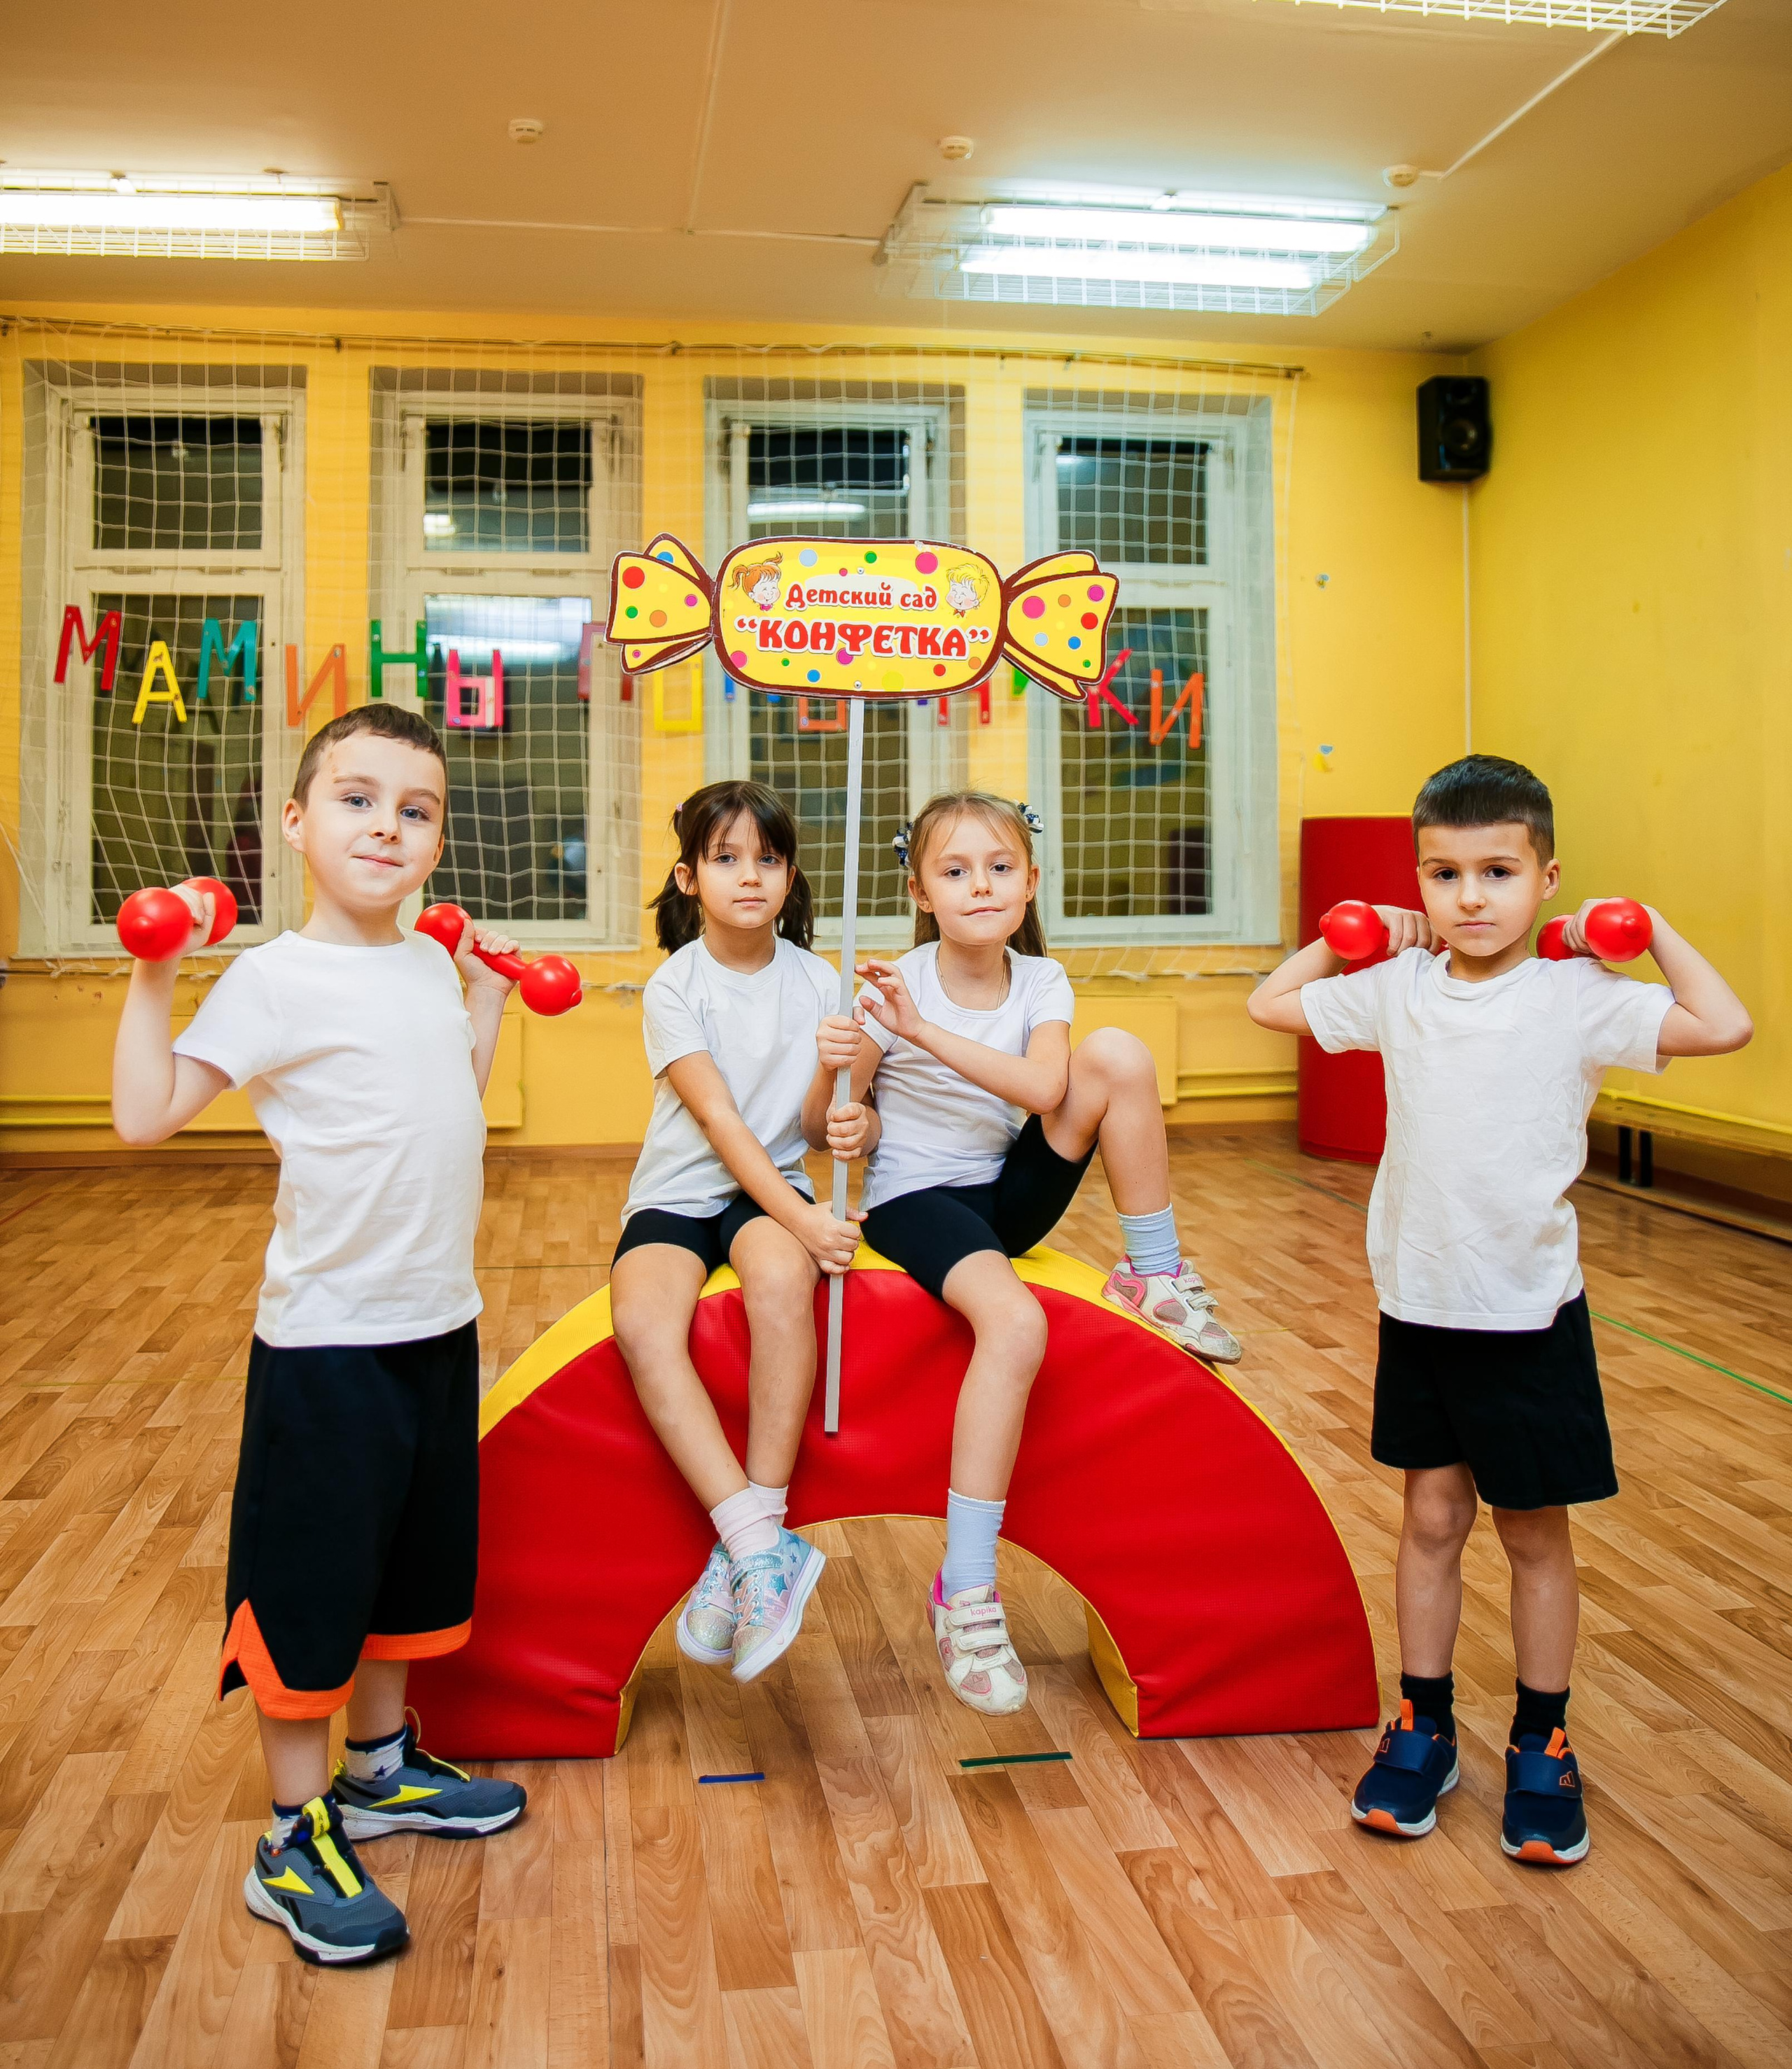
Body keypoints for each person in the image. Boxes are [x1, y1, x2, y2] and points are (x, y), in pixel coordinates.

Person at [1247, 754, 1751, 1864]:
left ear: (1548, 878)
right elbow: (1269, 1002)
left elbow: (1726, 1026)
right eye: (1442, 874)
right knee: (1430, 1522)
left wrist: (1651, 928)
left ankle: (1543, 1739)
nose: (1470, 898)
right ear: (1416, 882)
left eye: (1497, 871)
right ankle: (1423, 1725)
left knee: (1532, 1533)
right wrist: (1360, 929)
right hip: (1419, 1305)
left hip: (1528, 1314)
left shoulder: (1582, 998)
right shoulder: (1401, 986)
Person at [111, 702, 528, 1966]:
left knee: (409, 1572)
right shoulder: (274, 979)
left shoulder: (415, 962)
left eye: (415, 810)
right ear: (296, 823)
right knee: (310, 1592)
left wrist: (485, 999)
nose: (385, 827)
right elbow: (144, 1118)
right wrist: (154, 967)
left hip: (435, 1324)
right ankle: (292, 1839)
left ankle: (381, 1773)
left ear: (437, 842)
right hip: (327, 1349)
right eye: (355, 799)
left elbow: (449, 1101)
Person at [814, 791, 1242, 1717]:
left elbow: (1050, 1086)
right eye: (956, 870)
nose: (981, 886)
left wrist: (921, 1034)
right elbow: (826, 1124)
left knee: (1118, 1054)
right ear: (921, 890)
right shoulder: (895, 985)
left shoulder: (1039, 982)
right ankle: (964, 1591)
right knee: (1013, 1322)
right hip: (916, 1202)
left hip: (1005, 1190)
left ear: (1030, 881)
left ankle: (1153, 1268)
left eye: (1000, 868)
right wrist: (841, 1086)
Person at [610, 781, 853, 1685]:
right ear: (688, 877)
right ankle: (757, 1546)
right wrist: (810, 1222)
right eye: (725, 858)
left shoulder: (825, 981)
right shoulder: (675, 984)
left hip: (773, 1189)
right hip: (682, 1190)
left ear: (790, 876)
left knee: (785, 1286)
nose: (749, 875)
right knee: (641, 1325)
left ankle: (760, 1526)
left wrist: (843, 1098)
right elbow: (718, 1122)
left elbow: (818, 1127)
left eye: (768, 858)